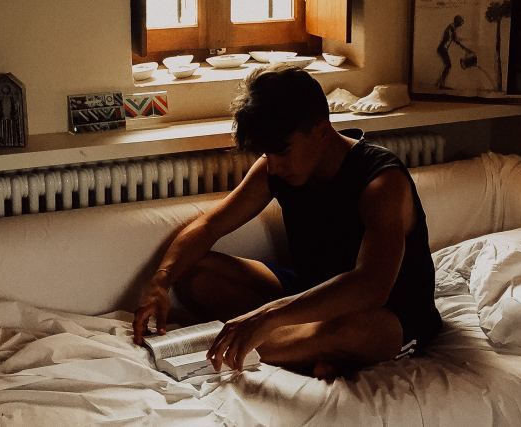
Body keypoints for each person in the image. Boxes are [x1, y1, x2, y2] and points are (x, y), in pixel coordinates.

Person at [131, 64, 442, 379]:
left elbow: (371, 287)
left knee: (356, 329)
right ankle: (304, 352)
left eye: (281, 151)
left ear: (321, 131)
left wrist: (267, 316)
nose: (273, 165)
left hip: (386, 313)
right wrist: (161, 281)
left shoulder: (382, 182)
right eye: (268, 153)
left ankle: (272, 345)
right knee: (196, 272)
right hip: (307, 291)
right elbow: (210, 226)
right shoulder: (274, 168)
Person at [436, 15, 474, 89]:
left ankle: (439, 82)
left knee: (447, 65)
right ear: (457, 22)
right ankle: (441, 84)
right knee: (448, 65)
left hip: (443, 49)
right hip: (442, 49)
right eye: (460, 23)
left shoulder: (452, 28)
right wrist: (466, 49)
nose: (460, 25)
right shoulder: (451, 28)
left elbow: (456, 40)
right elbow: (456, 40)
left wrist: (465, 48)